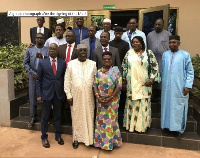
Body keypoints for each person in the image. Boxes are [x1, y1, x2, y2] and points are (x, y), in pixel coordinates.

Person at [122, 36, 160, 133]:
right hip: (132, 85)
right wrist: (124, 81)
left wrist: (151, 80)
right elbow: (124, 67)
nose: (135, 44)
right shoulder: (129, 53)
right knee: (132, 104)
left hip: (145, 85)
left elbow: (155, 67)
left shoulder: (148, 53)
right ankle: (131, 126)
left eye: (137, 42)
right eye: (133, 42)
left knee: (143, 104)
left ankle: (142, 127)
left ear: (141, 43)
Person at [161, 35, 194, 139]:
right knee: (166, 107)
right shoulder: (165, 55)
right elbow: (162, 70)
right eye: (170, 42)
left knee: (179, 108)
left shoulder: (185, 55)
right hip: (167, 88)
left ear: (179, 43)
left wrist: (187, 86)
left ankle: (179, 130)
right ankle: (166, 127)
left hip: (180, 87)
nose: (172, 44)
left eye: (174, 42)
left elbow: (190, 71)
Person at [64, 44, 97, 149]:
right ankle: (76, 139)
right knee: (76, 118)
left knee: (89, 117)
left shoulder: (93, 64)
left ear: (87, 52)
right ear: (77, 52)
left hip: (89, 97)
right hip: (76, 96)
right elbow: (67, 81)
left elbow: (96, 81)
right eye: (80, 50)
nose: (83, 52)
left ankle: (89, 139)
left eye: (85, 50)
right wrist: (68, 94)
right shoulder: (71, 64)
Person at [36, 43, 66, 148]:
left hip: (58, 94)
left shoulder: (63, 63)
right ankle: (44, 137)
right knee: (45, 117)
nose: (51, 50)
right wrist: (39, 95)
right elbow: (38, 80)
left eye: (54, 49)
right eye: (50, 49)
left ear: (57, 51)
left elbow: (64, 78)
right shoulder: (42, 63)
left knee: (57, 115)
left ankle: (58, 135)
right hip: (46, 94)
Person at [93, 51, 122, 151]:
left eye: (109, 59)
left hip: (112, 101)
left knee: (111, 122)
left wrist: (111, 97)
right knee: (101, 121)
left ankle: (111, 143)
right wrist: (98, 96)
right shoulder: (98, 72)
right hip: (101, 101)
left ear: (112, 60)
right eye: (105, 59)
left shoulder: (115, 71)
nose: (107, 60)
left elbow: (119, 85)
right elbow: (95, 85)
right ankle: (99, 143)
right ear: (102, 60)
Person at [24, 33, 49, 128]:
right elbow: (25, 63)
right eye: (38, 38)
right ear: (35, 39)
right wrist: (32, 72)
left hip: (44, 77)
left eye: (41, 38)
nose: (39, 39)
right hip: (33, 77)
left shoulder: (47, 50)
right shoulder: (30, 49)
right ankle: (32, 117)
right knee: (33, 97)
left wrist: (42, 57)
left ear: (43, 39)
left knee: (44, 98)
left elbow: (49, 61)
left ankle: (45, 118)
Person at [147, 19, 171, 101]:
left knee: (162, 74)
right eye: (156, 24)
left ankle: (161, 94)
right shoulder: (149, 35)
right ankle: (153, 93)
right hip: (152, 59)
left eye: (159, 25)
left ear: (163, 25)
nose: (157, 26)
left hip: (163, 59)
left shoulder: (168, 34)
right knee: (153, 74)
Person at [109, 26, 129, 116]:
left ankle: (120, 112)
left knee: (120, 91)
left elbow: (126, 59)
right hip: (111, 70)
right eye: (116, 33)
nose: (118, 35)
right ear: (114, 33)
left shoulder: (125, 44)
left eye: (119, 34)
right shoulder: (110, 44)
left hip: (120, 70)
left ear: (122, 34)